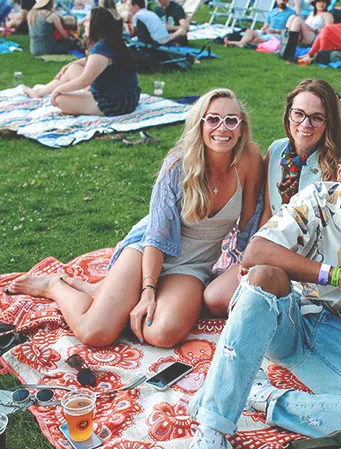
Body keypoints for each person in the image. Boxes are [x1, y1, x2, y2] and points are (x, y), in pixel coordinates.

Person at [188, 132, 341, 449]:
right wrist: (338, 277)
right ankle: (212, 428)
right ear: (339, 171)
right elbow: (255, 253)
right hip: (293, 317)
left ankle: (261, 397)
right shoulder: (318, 198)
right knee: (265, 276)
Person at [6, 88, 264, 349]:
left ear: (241, 127)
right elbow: (157, 235)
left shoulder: (250, 158)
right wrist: (148, 292)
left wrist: (235, 272)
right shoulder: (178, 164)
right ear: (199, 124)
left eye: (231, 120)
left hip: (192, 265)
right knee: (96, 333)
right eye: (213, 119)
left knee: (162, 334)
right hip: (148, 251)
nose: (223, 128)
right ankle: (54, 286)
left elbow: (248, 225)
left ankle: (104, 292)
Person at [203, 78, 341, 317]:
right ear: (289, 114)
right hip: (275, 251)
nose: (305, 124)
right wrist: (253, 257)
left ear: (328, 121)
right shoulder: (277, 150)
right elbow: (268, 213)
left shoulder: (338, 162)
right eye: (298, 114)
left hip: (315, 262)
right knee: (213, 299)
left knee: (252, 306)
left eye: (316, 117)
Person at [22, 7, 140, 117]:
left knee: (59, 99)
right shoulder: (110, 42)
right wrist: (69, 65)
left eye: (88, 21)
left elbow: (85, 80)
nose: (84, 24)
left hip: (115, 103)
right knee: (73, 68)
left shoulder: (102, 47)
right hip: (126, 97)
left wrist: (59, 89)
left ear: (97, 26)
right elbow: (90, 61)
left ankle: (48, 92)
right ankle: (39, 92)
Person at [223, 0, 296, 49]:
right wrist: (263, 29)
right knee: (249, 31)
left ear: (287, 1)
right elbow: (266, 25)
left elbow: (290, 30)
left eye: (284, 0)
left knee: (257, 39)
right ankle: (241, 43)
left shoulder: (291, 13)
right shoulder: (272, 12)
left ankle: (238, 43)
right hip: (268, 32)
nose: (282, 2)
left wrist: (276, 31)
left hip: (278, 35)